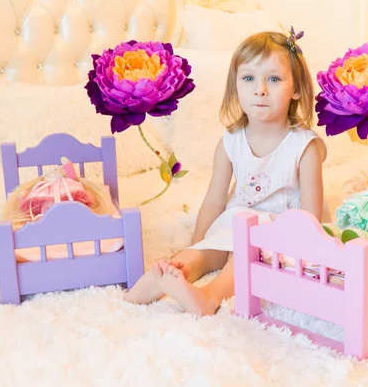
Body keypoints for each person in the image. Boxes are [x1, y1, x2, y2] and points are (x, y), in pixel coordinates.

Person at [124, 28, 328, 315]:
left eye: (274, 79)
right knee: (206, 251)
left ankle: (210, 295)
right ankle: (166, 277)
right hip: (239, 218)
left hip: (280, 229)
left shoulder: (304, 147)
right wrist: (199, 243)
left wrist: (301, 254)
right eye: (248, 78)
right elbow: (214, 200)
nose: (260, 89)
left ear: (296, 89)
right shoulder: (231, 141)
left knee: (242, 255)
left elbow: (310, 216)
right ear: (236, 87)